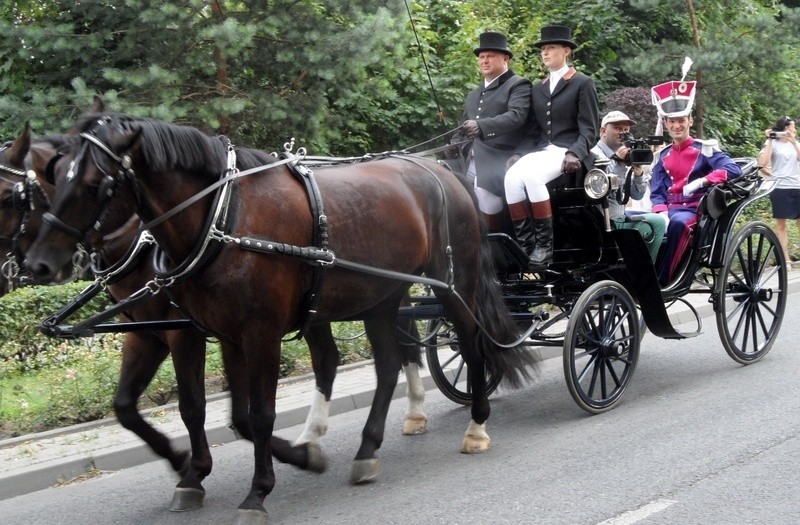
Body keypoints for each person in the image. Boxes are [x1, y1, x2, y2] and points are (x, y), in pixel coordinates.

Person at [504, 24, 599, 269]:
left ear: (566, 51)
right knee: (511, 177)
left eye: (551, 48)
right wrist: (518, 153)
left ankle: (544, 247)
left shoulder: (582, 83)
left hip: (567, 151)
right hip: (543, 150)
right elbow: (534, 131)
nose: (545, 53)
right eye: (543, 49)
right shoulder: (539, 88)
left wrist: (574, 152)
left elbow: (589, 129)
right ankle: (525, 245)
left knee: (532, 177)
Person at [650, 73, 742, 284]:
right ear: (665, 123)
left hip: (695, 211)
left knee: (678, 225)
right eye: (672, 121)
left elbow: (733, 169)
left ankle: (664, 281)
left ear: (690, 120)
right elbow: (657, 193)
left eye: (681, 120)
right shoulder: (662, 156)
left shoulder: (705, 150)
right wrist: (660, 213)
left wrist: (704, 180)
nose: (677, 126)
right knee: (639, 223)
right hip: (669, 211)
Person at [448, 31, 532, 232]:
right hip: (468, 159)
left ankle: (493, 244)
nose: (484, 61)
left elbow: (516, 116)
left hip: (501, 157)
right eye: (482, 57)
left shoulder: (518, 85)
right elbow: (462, 128)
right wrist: (453, 144)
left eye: (490, 56)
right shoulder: (473, 95)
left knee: (483, 192)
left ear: (505, 58)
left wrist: (482, 126)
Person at [591, 111, 666, 262]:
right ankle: (640, 279)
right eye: (618, 128)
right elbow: (602, 189)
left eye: (626, 130)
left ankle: (646, 275)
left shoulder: (623, 155)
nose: (623, 134)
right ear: (603, 131)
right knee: (648, 229)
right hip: (604, 222)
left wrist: (638, 174)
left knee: (660, 222)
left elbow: (637, 195)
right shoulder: (594, 155)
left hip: (619, 216)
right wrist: (618, 163)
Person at [757, 115, 800, 266]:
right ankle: (785, 259)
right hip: (780, 187)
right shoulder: (773, 143)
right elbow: (763, 163)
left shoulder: (795, 143)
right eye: (792, 126)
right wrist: (769, 140)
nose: (794, 129)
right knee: (781, 225)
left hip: (797, 185)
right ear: (786, 128)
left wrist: (794, 142)